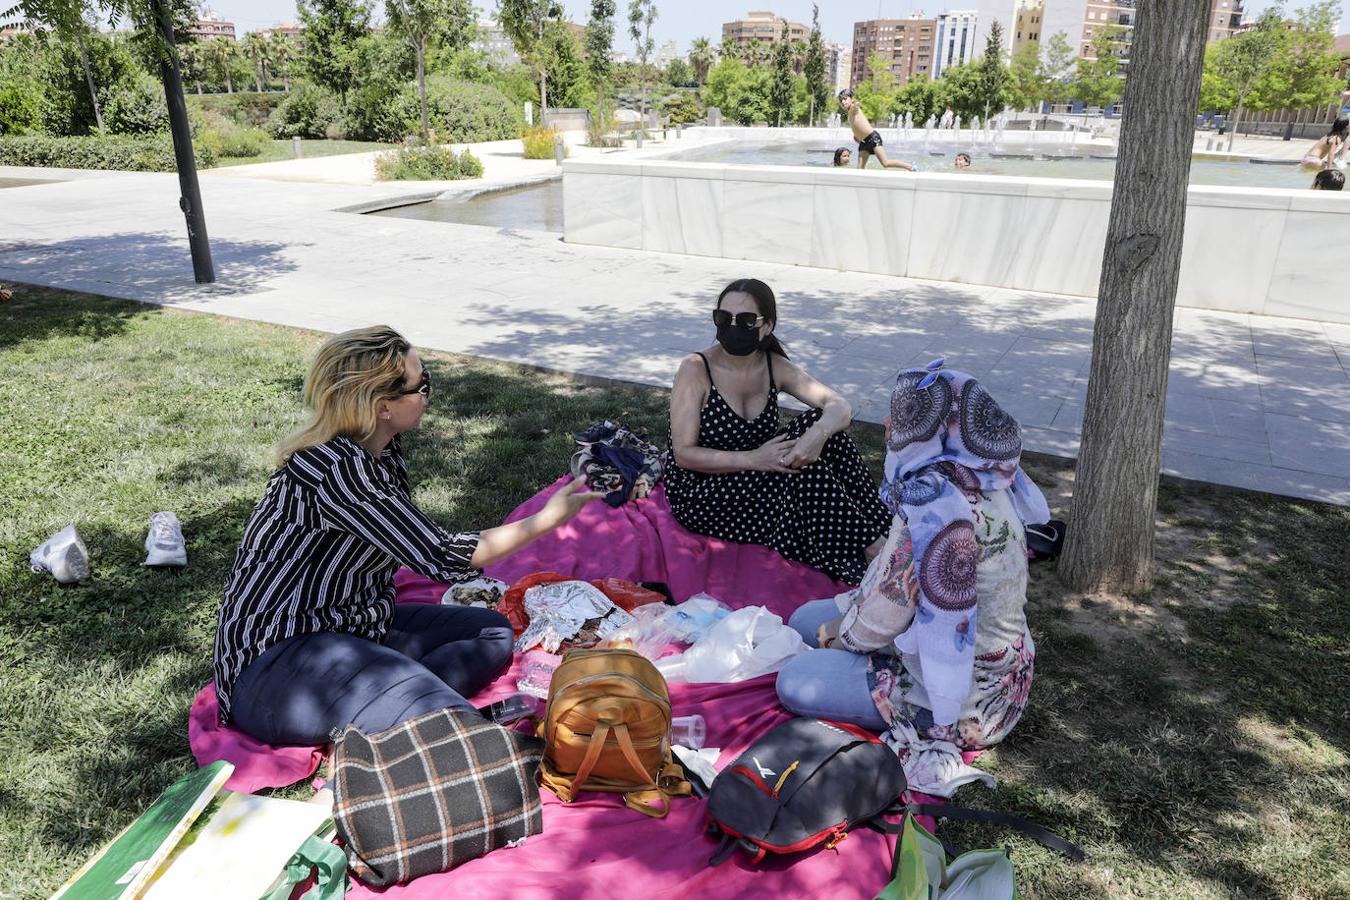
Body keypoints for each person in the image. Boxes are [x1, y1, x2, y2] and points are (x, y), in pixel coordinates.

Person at [213, 326, 602, 745]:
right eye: (422, 385)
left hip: (355, 623)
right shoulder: (338, 470)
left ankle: (396, 707)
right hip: (278, 664)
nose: (429, 394)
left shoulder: (380, 449)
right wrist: (547, 519)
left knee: (490, 633)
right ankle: (412, 710)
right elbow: (442, 557)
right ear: (382, 406)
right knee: (426, 695)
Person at [775, 363, 1049, 764]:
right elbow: (896, 586)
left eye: (903, 417)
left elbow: (879, 621)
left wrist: (836, 635)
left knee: (796, 679)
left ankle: (910, 702)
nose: (888, 424)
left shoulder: (933, 505)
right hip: (999, 674)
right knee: (802, 620)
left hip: (969, 705)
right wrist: (839, 625)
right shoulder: (981, 472)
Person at [664, 278, 892, 584]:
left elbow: (839, 406)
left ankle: (882, 532)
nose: (732, 326)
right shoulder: (695, 368)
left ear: (767, 326)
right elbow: (683, 455)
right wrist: (754, 459)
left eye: (745, 320)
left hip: (762, 473)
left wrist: (817, 435)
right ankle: (877, 548)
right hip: (705, 493)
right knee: (806, 469)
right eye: (723, 318)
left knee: (823, 433)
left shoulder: (772, 366)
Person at [838, 89, 916, 172]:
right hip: (863, 142)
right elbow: (856, 125)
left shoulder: (853, 108)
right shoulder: (849, 112)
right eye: (841, 100)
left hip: (873, 139)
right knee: (859, 170)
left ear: (852, 99)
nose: (843, 102)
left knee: (885, 163)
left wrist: (856, 104)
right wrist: (857, 135)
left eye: (845, 99)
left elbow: (855, 106)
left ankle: (911, 167)